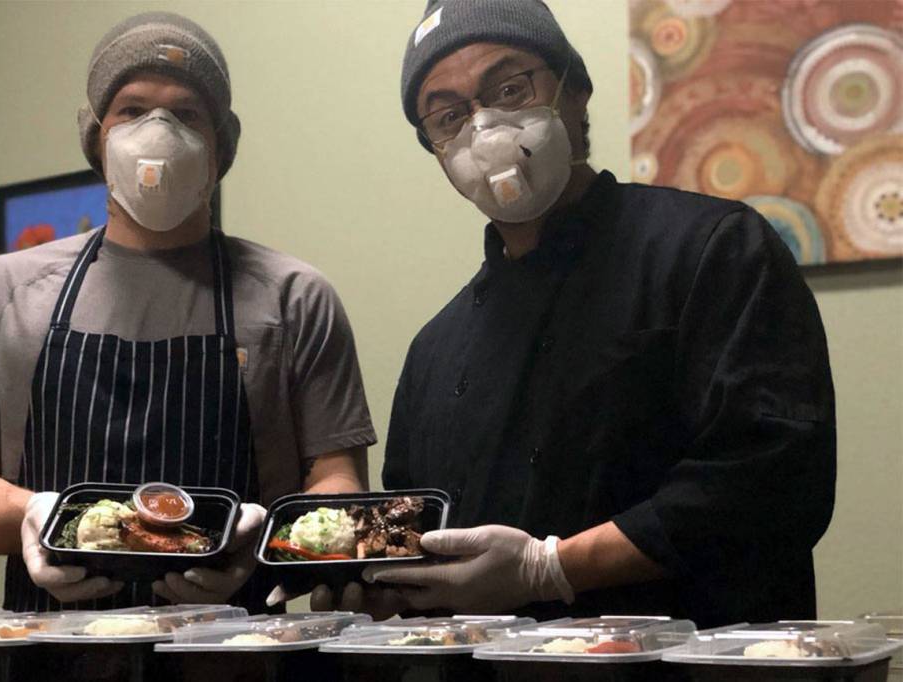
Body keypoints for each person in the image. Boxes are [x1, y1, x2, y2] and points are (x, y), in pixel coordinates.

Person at [306, 0, 835, 628]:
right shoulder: (436, 349)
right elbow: (415, 531)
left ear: (574, 90)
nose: (484, 128)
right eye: (448, 116)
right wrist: (375, 582)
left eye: (508, 87)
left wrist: (550, 568)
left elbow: (774, 481)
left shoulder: (713, 250)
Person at [0, 12, 376, 613]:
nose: (157, 131)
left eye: (186, 114)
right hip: (49, 651)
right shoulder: (2, 289)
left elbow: (340, 484)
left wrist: (260, 542)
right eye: (132, 110)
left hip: (236, 651)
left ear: (221, 146)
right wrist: (32, 515)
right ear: (97, 136)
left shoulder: (294, 297)